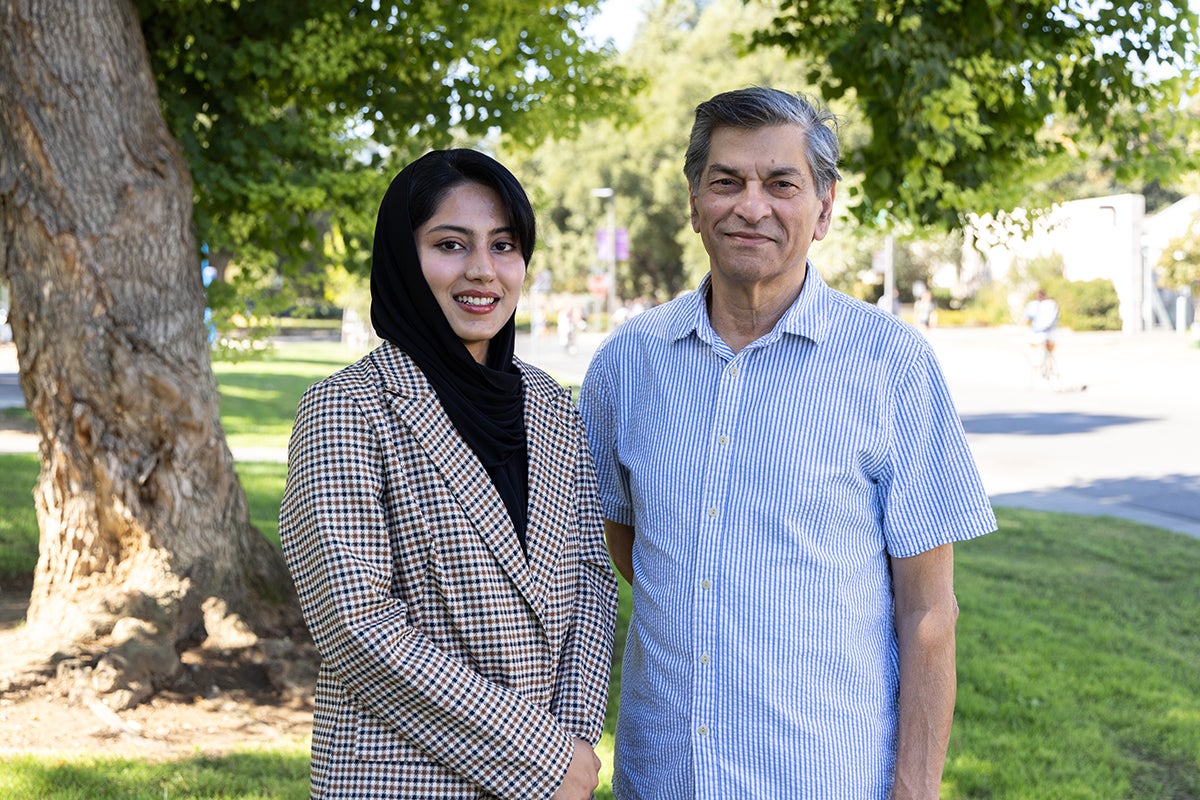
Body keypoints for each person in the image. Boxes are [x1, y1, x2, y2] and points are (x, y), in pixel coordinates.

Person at [579, 87, 997, 799]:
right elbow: (628, 547)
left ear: (825, 208)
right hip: (663, 778)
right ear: (694, 200)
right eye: (727, 181)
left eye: (781, 184)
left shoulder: (892, 364)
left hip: (827, 777)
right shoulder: (627, 361)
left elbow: (929, 613)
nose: (751, 205)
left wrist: (917, 788)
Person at [280, 149, 619, 800]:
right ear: (404, 259)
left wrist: (572, 749)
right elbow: (358, 628)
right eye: (450, 244)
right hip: (402, 778)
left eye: (503, 245)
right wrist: (544, 759)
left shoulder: (550, 405)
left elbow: (592, 587)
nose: (482, 271)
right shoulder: (347, 410)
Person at [1022, 287, 1059, 359]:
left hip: (1038, 333)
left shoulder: (1033, 304)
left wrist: (1025, 327)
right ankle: (1050, 362)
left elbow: (1026, 320)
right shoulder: (1052, 303)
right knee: (1050, 349)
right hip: (1052, 332)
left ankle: (1036, 364)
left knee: (1031, 345)